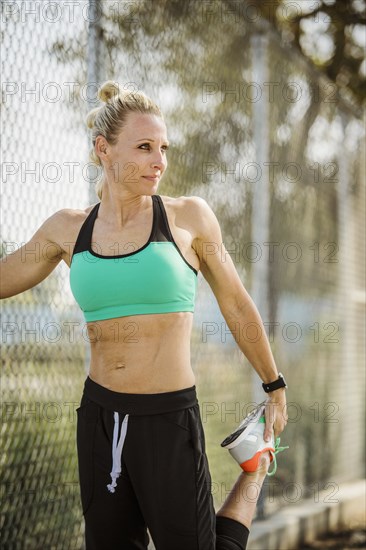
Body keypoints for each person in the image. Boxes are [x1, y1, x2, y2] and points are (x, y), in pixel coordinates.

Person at [0, 80, 288, 550]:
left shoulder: (188, 218)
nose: (160, 161)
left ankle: (254, 470)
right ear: (104, 150)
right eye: (144, 147)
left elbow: (236, 302)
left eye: (163, 148)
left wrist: (274, 386)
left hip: (168, 418)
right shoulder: (68, 229)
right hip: (99, 418)